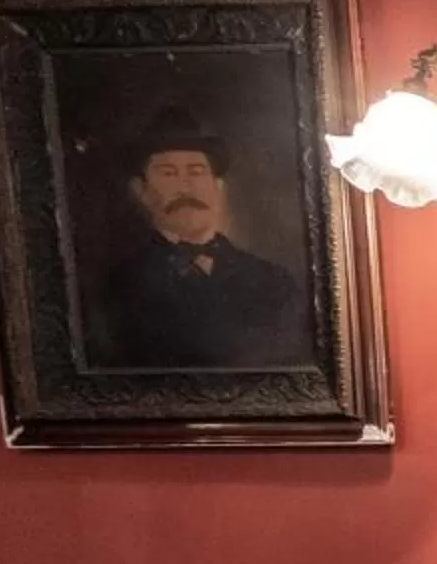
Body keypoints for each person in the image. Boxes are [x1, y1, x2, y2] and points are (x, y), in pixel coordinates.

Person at [88, 103, 312, 369]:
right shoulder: (117, 288)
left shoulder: (274, 283)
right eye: (168, 173)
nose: (186, 186)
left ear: (217, 188)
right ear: (141, 191)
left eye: (196, 171)